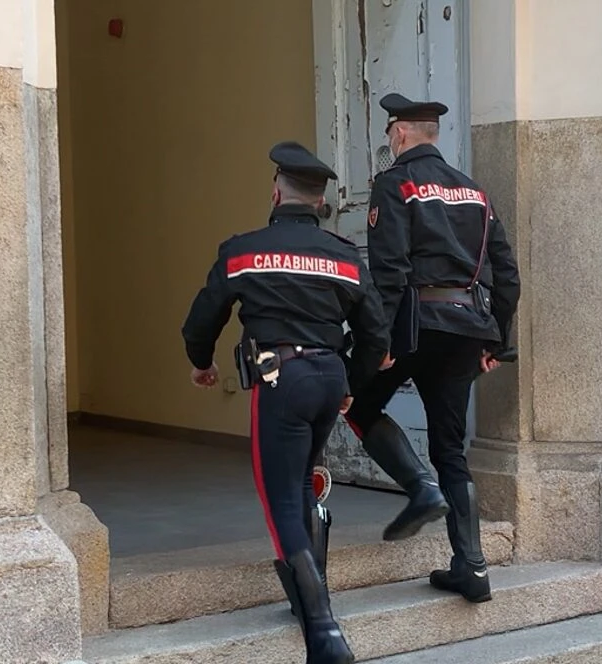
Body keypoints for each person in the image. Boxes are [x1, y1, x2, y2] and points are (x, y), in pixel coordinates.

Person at [181, 141, 392, 664]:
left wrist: (202, 362)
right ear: (320, 202)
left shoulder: (244, 251)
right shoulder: (345, 256)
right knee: (301, 484)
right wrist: (350, 384)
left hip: (281, 379)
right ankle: (307, 599)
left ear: (276, 194)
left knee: (280, 503)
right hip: (328, 378)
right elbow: (376, 334)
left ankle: (323, 631)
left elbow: (203, 318)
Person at [343, 92, 521, 604]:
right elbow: (506, 274)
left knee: (357, 404)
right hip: (467, 330)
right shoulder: (474, 191)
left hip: (414, 327)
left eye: (388, 133)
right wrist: (496, 341)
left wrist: (380, 341)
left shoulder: (394, 184)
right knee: (451, 449)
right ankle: (473, 568)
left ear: (399, 133)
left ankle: (420, 488)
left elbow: (389, 272)